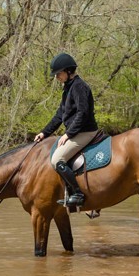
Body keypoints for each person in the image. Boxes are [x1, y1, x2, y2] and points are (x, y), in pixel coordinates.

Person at [34, 52, 99, 207]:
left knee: (57, 160)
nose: (57, 77)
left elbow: (82, 114)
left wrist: (68, 134)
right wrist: (44, 132)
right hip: (76, 131)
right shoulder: (68, 88)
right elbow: (60, 115)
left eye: (58, 74)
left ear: (68, 71)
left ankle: (78, 194)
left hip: (85, 132)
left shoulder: (79, 86)